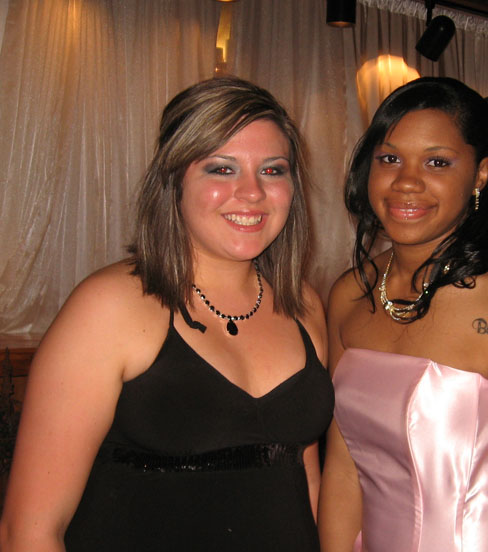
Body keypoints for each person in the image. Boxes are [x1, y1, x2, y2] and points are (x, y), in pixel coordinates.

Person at [0, 76, 334, 551]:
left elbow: (305, 484)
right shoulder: (109, 306)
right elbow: (28, 532)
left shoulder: (302, 303)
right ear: (174, 181)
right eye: (221, 169)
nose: (252, 192)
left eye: (272, 170)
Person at [318, 77, 488, 551]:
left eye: (437, 162)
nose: (406, 181)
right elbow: (344, 471)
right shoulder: (350, 295)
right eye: (389, 159)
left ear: (481, 174)